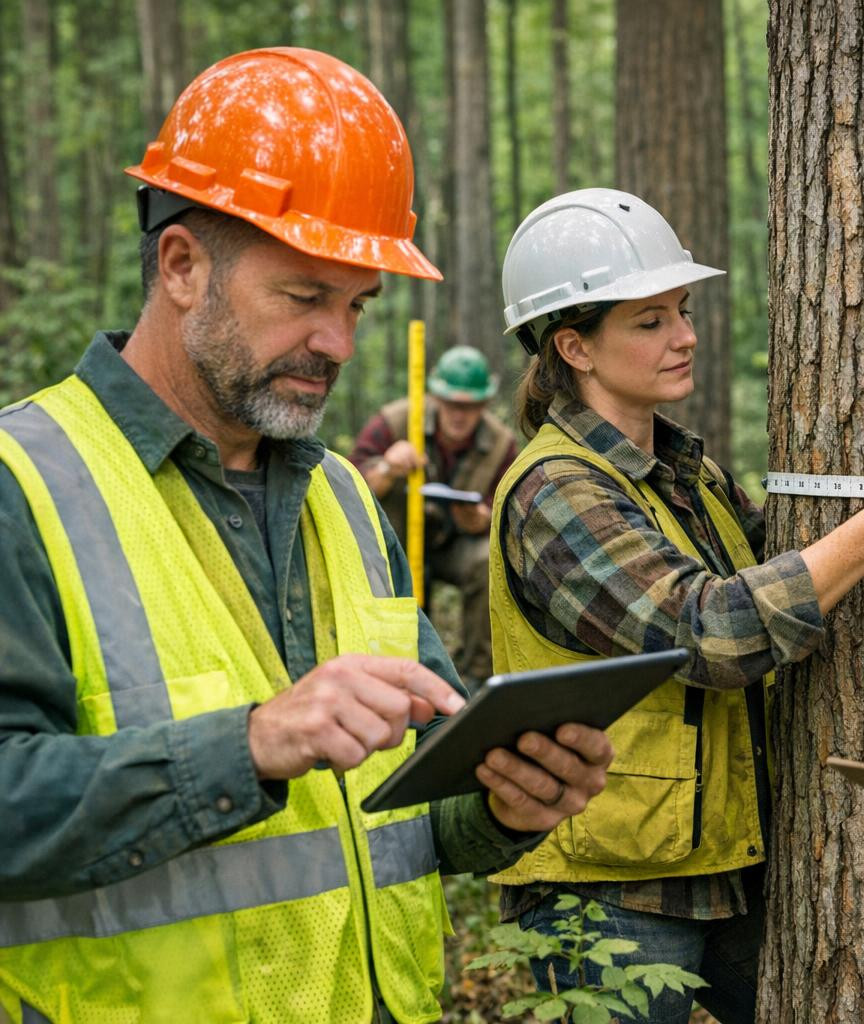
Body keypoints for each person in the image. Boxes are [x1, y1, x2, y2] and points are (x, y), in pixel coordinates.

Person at [0, 49, 611, 1024]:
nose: (340, 342)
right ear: (184, 265)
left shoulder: (345, 498)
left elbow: (405, 807)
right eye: (303, 296)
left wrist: (501, 803)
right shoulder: (24, 484)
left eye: (357, 305)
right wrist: (249, 745)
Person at [487, 188, 864, 1023]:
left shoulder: (686, 473)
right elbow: (710, 633)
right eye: (648, 322)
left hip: (726, 868)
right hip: (608, 891)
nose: (685, 336)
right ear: (573, 346)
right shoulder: (556, 492)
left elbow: (782, 578)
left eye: (681, 312)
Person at [351, 345, 518, 685]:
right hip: (392, 548)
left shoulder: (502, 444)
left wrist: (484, 518)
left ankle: (475, 678)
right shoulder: (395, 421)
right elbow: (348, 484)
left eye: (470, 407)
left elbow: (508, 507)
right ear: (434, 397)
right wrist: (386, 466)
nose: (460, 415)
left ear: (484, 405)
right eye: (452, 404)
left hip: (453, 547)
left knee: (490, 559)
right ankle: (382, 671)